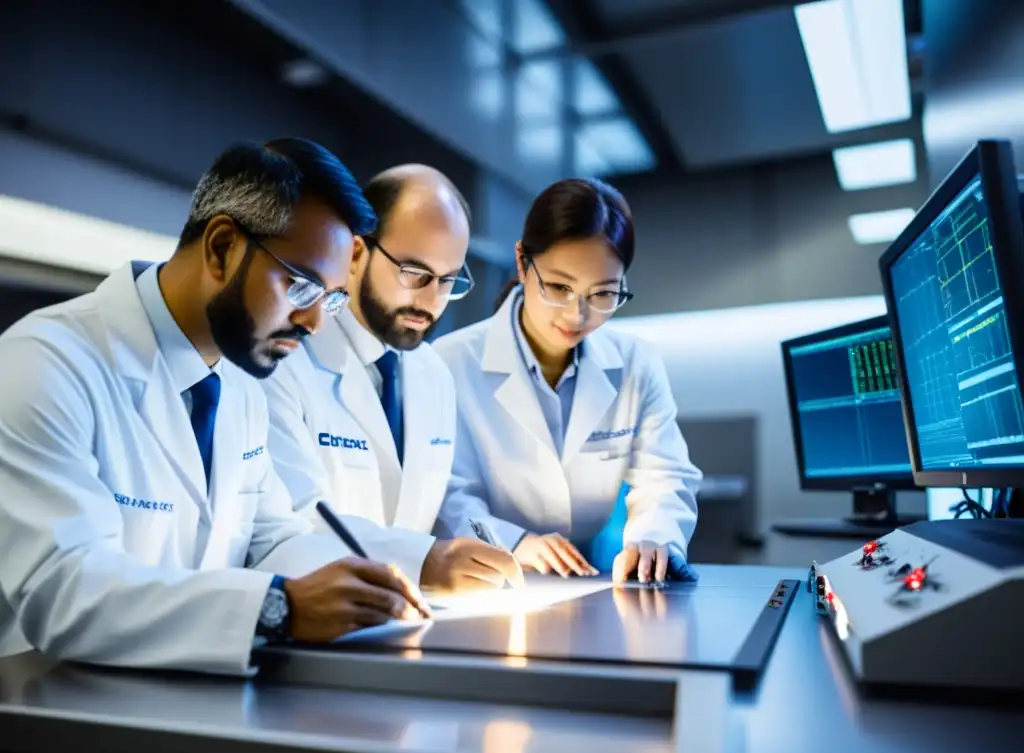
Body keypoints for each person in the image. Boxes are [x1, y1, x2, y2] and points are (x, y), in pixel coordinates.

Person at [0, 138, 437, 677]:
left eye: (329, 297)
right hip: (46, 710)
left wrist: (363, 587)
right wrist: (280, 607)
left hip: (182, 701)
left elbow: (272, 538)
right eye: (300, 287)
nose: (315, 322)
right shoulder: (43, 364)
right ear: (222, 246)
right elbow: (63, 591)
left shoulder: (238, 382)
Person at [263, 164, 522, 592]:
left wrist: (499, 545)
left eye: (448, 280)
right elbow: (287, 524)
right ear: (356, 253)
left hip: (402, 620)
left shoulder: (433, 374)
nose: (431, 300)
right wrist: (423, 561)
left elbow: (433, 504)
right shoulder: (285, 358)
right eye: (414, 273)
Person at [433, 178, 703, 584]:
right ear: (523, 263)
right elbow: (448, 492)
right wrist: (515, 542)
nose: (578, 316)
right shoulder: (449, 362)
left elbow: (665, 476)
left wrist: (654, 537)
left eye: (603, 294)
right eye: (559, 287)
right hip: (485, 576)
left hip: (582, 579)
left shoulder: (636, 363)